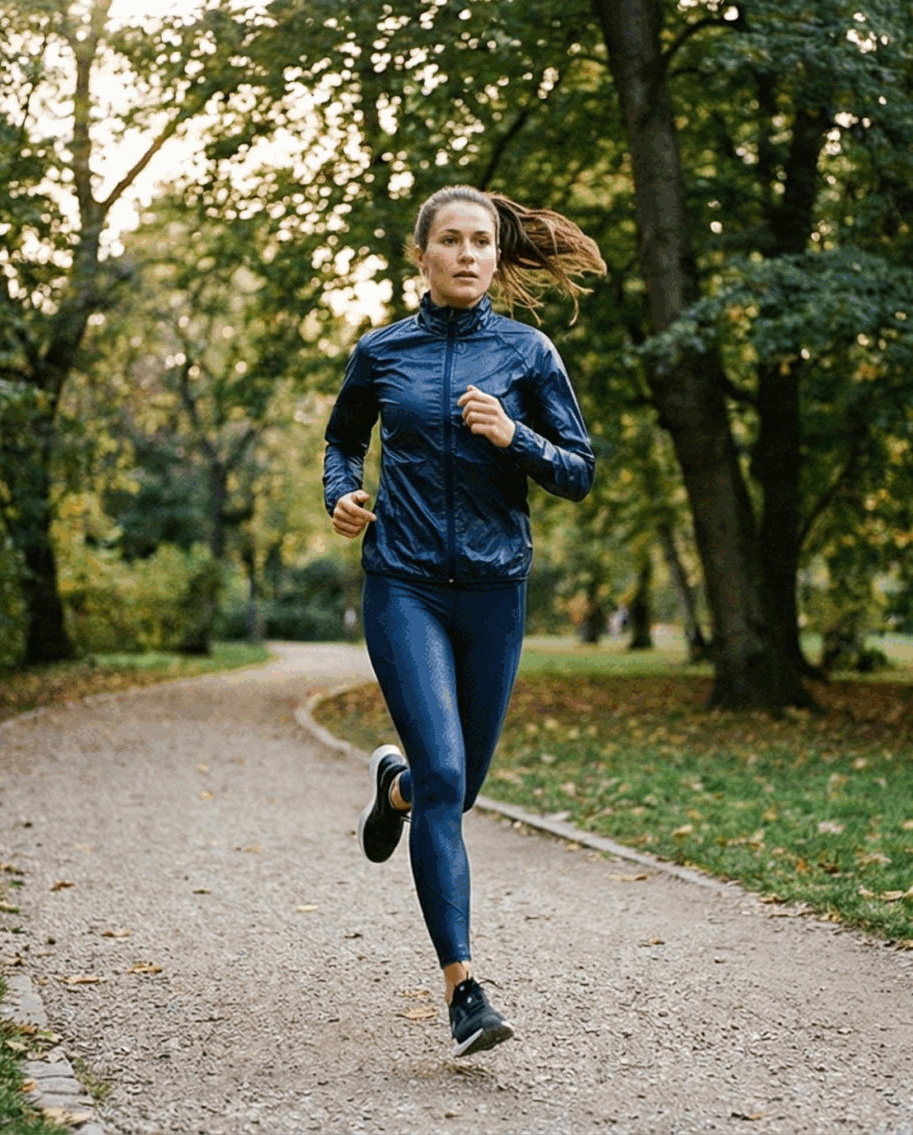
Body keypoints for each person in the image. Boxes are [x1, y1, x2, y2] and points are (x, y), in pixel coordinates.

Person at [321, 183, 603, 1057]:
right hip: (402, 584)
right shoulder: (382, 351)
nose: (468, 253)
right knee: (448, 775)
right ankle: (464, 991)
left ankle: (395, 788)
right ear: (423, 255)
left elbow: (579, 470)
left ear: (496, 254)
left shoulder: (528, 352)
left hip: (493, 590)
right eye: (451, 239)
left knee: (455, 787)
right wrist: (342, 493)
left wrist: (515, 437)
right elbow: (342, 439)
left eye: (481, 240)